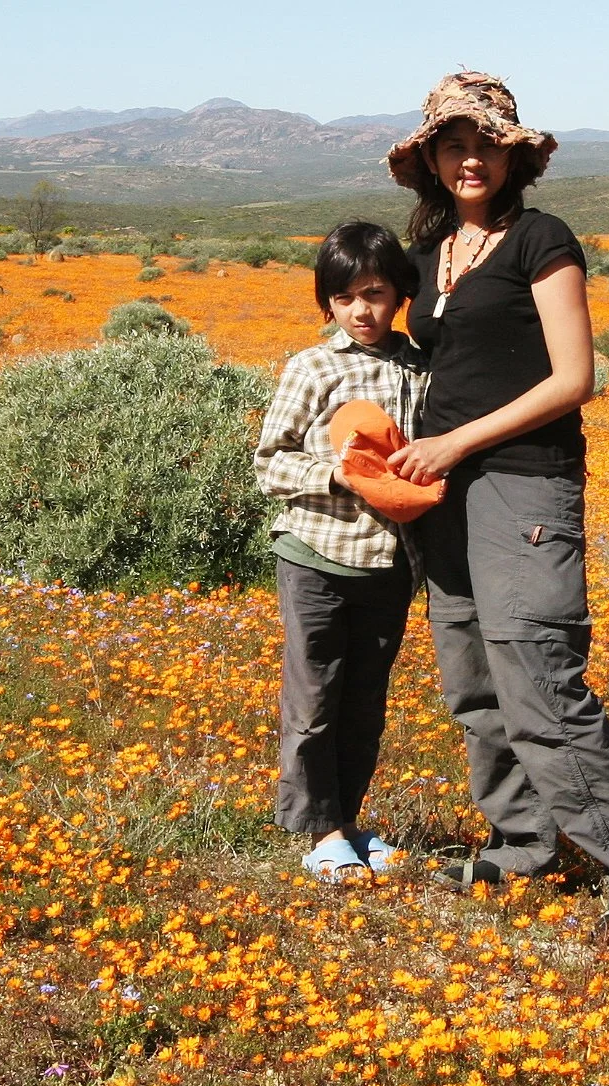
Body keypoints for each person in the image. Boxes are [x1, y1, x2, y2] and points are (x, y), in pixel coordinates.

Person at [382, 71, 609, 936]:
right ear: (431, 158)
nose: (469, 159)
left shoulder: (539, 240)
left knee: (540, 678)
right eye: (453, 144)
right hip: (444, 495)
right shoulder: (431, 251)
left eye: (485, 144)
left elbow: (573, 378)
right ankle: (521, 845)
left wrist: (455, 441)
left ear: (513, 156)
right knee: (473, 680)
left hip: (523, 485)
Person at [254, 221, 427, 883]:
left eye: (376, 294)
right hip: (316, 556)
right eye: (346, 296)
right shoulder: (312, 367)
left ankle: (349, 820)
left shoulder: (416, 364)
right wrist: (336, 473)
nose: (362, 310)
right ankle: (319, 827)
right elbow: (271, 461)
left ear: (399, 295)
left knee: (365, 702)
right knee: (315, 697)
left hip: (389, 564)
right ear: (326, 302)